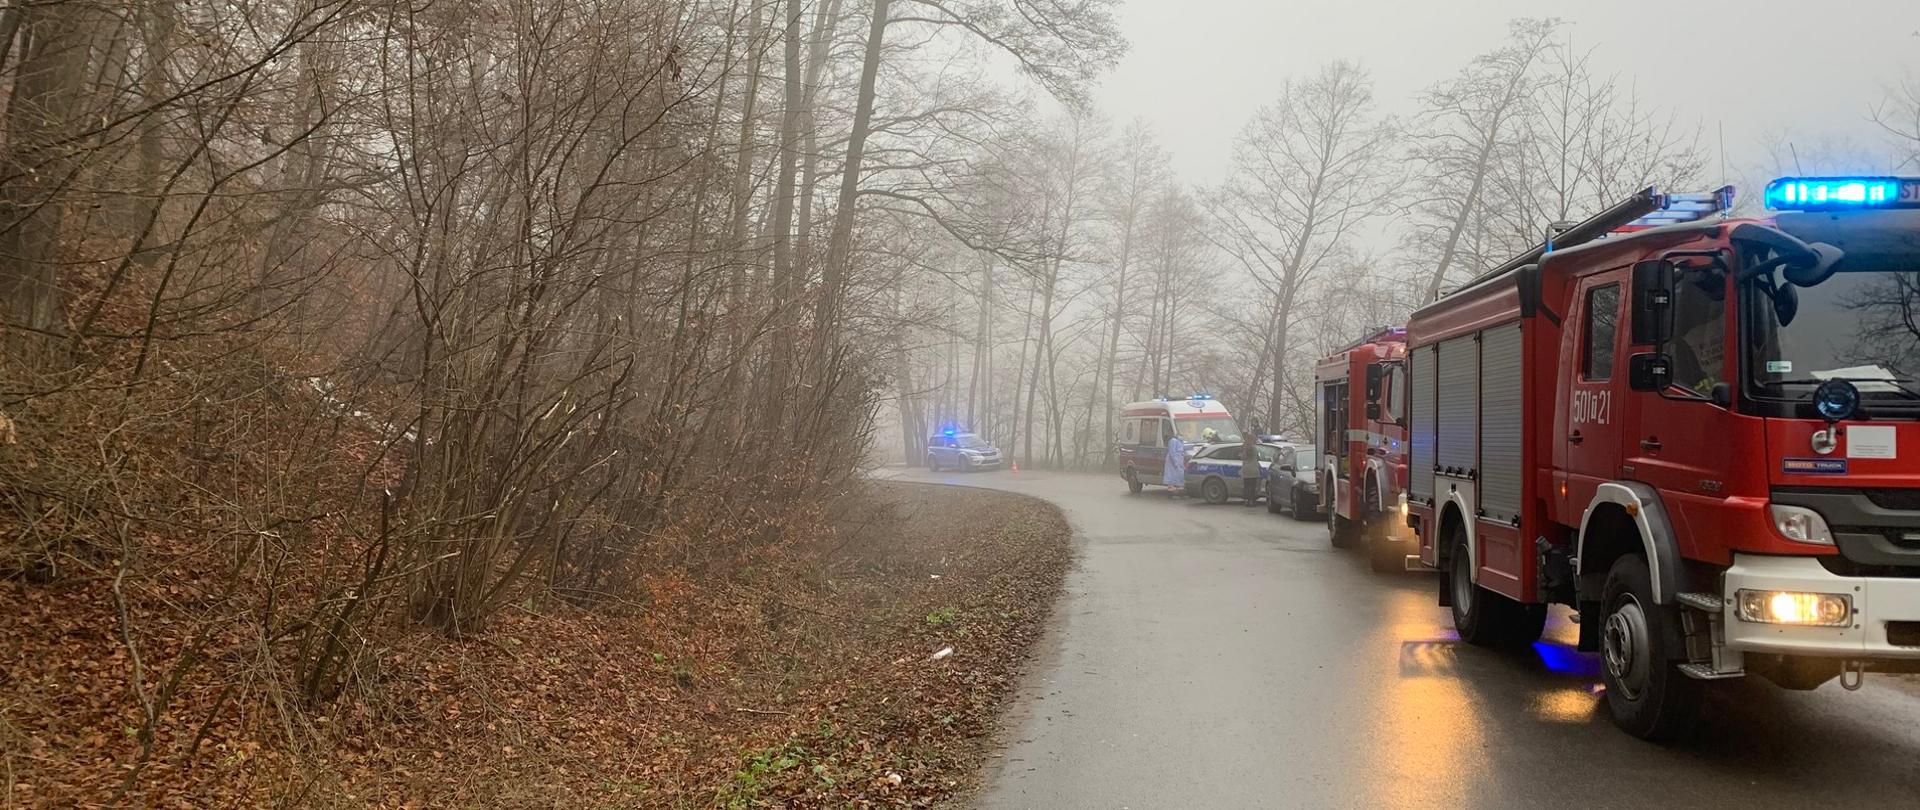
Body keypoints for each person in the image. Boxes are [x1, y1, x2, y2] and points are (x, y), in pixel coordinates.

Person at [1239, 432, 1262, 507]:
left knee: (1246, 486)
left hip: (1246, 470)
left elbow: (1242, 457)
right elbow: (1258, 457)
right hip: (1253, 470)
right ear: (1252, 439)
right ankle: (1252, 501)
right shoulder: (1254, 448)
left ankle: (1246, 501)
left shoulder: (1244, 447)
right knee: (1252, 487)